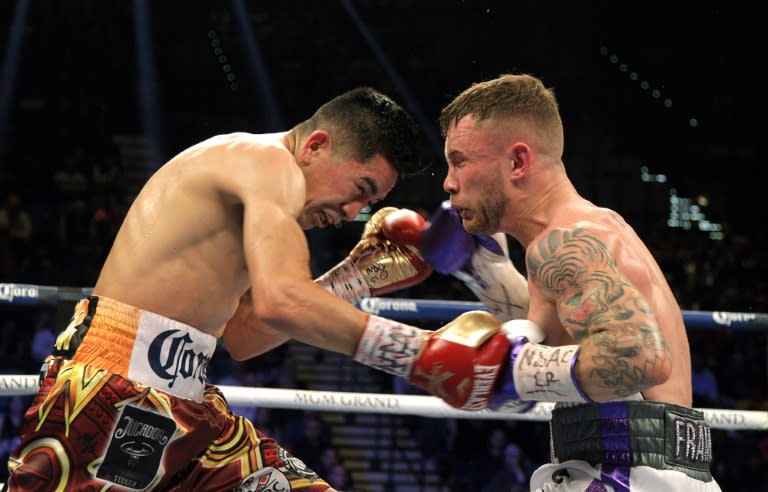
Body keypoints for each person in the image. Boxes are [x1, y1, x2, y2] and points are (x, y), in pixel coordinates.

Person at [3, 87, 523, 492]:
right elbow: (283, 300)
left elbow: (247, 335)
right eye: (359, 190)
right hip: (110, 388)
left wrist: (354, 277)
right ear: (317, 145)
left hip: (185, 405)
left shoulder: (262, 210)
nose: (350, 213)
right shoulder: (268, 166)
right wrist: (421, 354)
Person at [419, 74, 721, 490]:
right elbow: (559, 334)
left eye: (460, 160)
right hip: (644, 469)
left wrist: (517, 370)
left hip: (627, 472)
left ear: (517, 162)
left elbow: (641, 358)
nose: (448, 181)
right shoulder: (578, 233)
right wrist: (484, 272)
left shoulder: (567, 241)